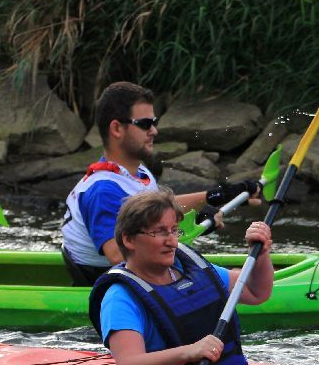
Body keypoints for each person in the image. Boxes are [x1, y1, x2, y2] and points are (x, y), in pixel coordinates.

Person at [89, 188, 319, 365]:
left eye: (174, 230)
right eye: (159, 232)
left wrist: (261, 255)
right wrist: (188, 351)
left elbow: (255, 292)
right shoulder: (120, 298)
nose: (171, 240)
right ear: (129, 240)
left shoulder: (190, 268)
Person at [61, 81, 262, 286]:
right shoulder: (103, 190)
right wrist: (182, 234)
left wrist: (218, 196)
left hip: (139, 276)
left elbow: (157, 211)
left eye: (154, 122)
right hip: (113, 286)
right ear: (117, 129)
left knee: (240, 276)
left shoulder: (134, 173)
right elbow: (118, 255)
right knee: (244, 281)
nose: (154, 131)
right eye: (145, 124)